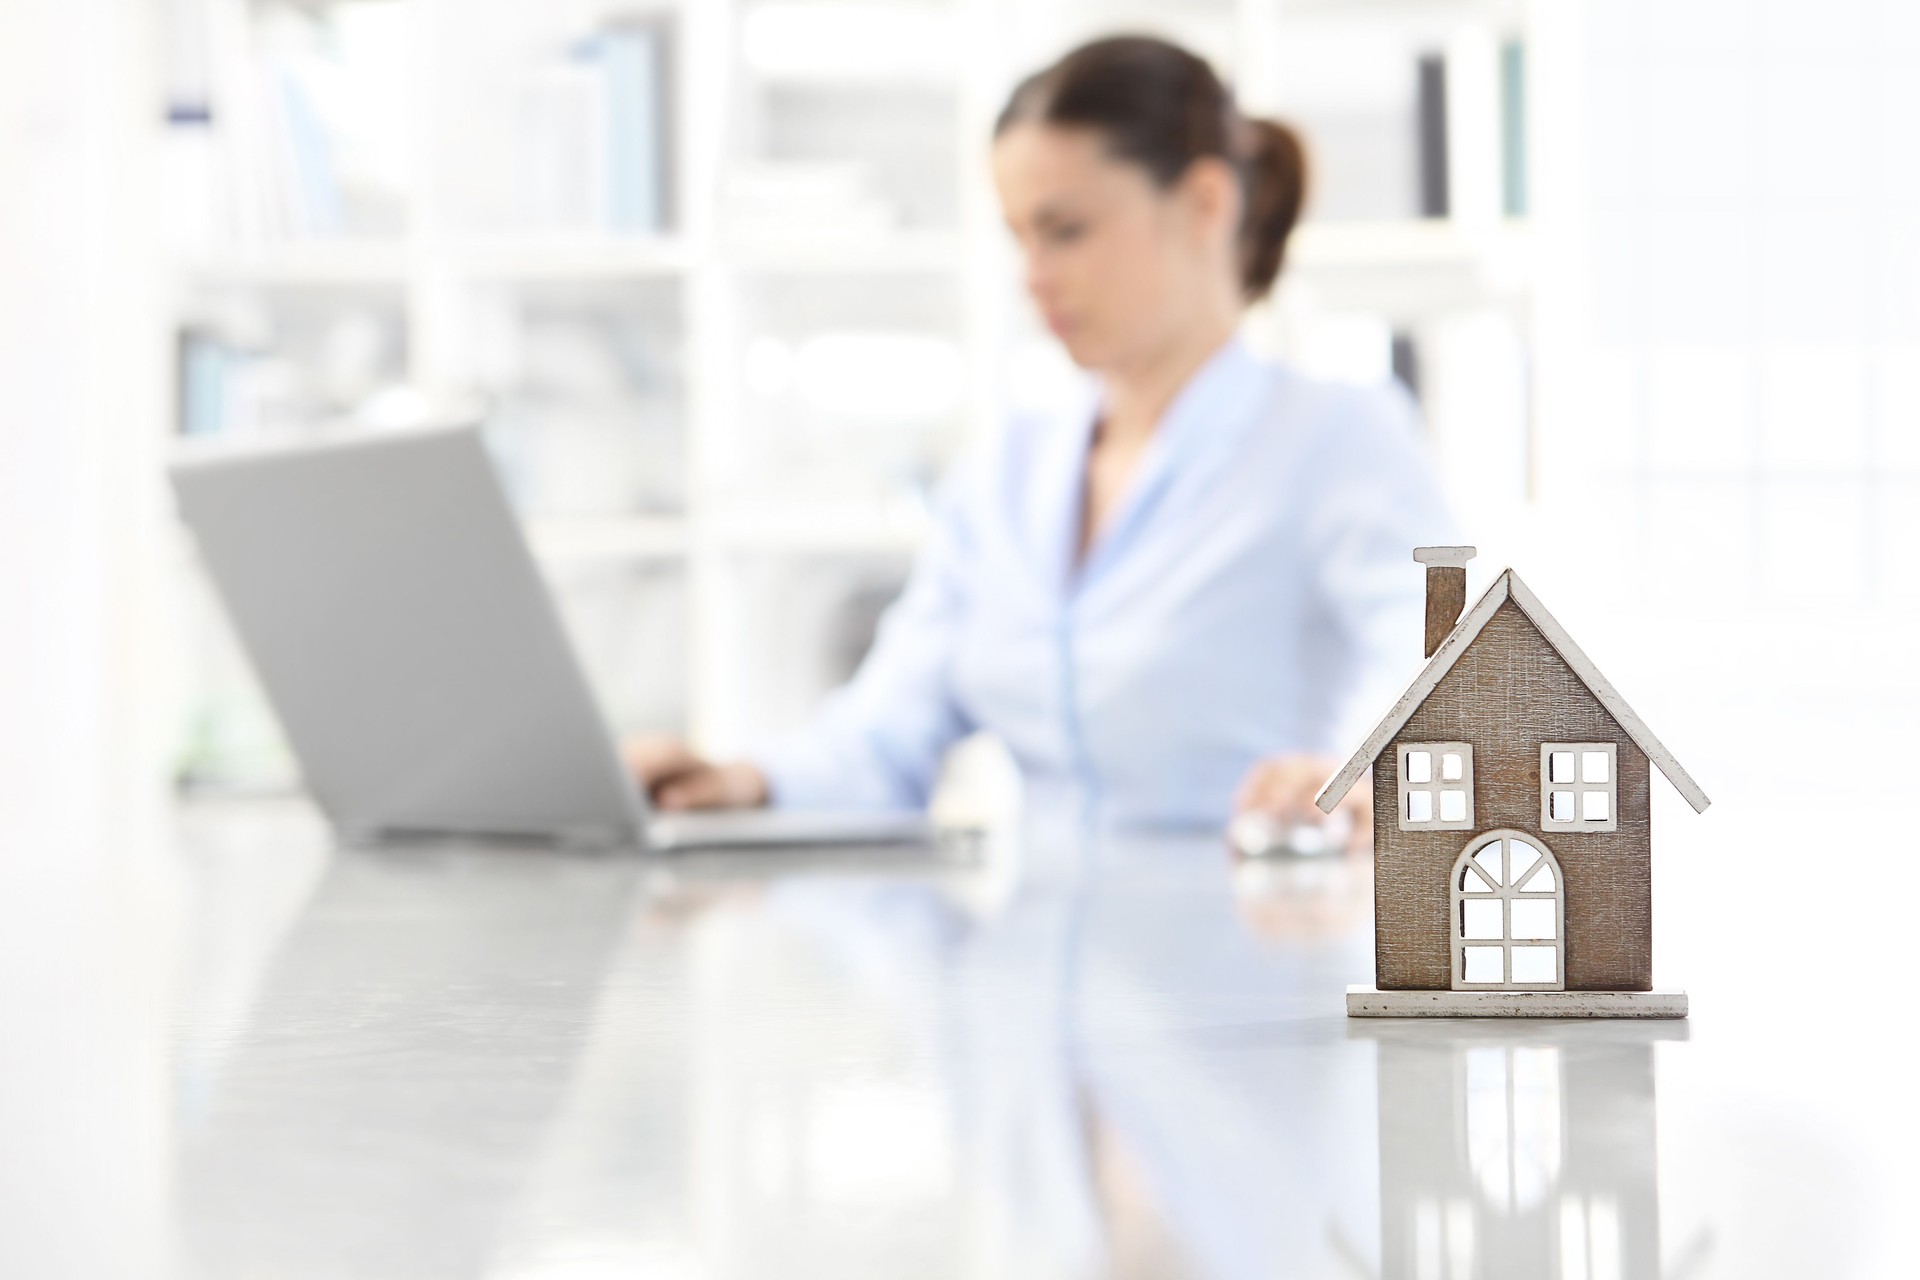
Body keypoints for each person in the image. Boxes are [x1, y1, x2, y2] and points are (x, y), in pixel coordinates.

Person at [629, 35, 1453, 839]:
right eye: (1019, 237)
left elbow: (1452, 688)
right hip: (1029, 953)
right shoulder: (1008, 475)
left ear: (1206, 204)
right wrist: (738, 783)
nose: (1032, 276)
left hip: (1255, 939)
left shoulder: (1332, 438)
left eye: (1066, 231)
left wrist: (1360, 781)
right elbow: (885, 741)